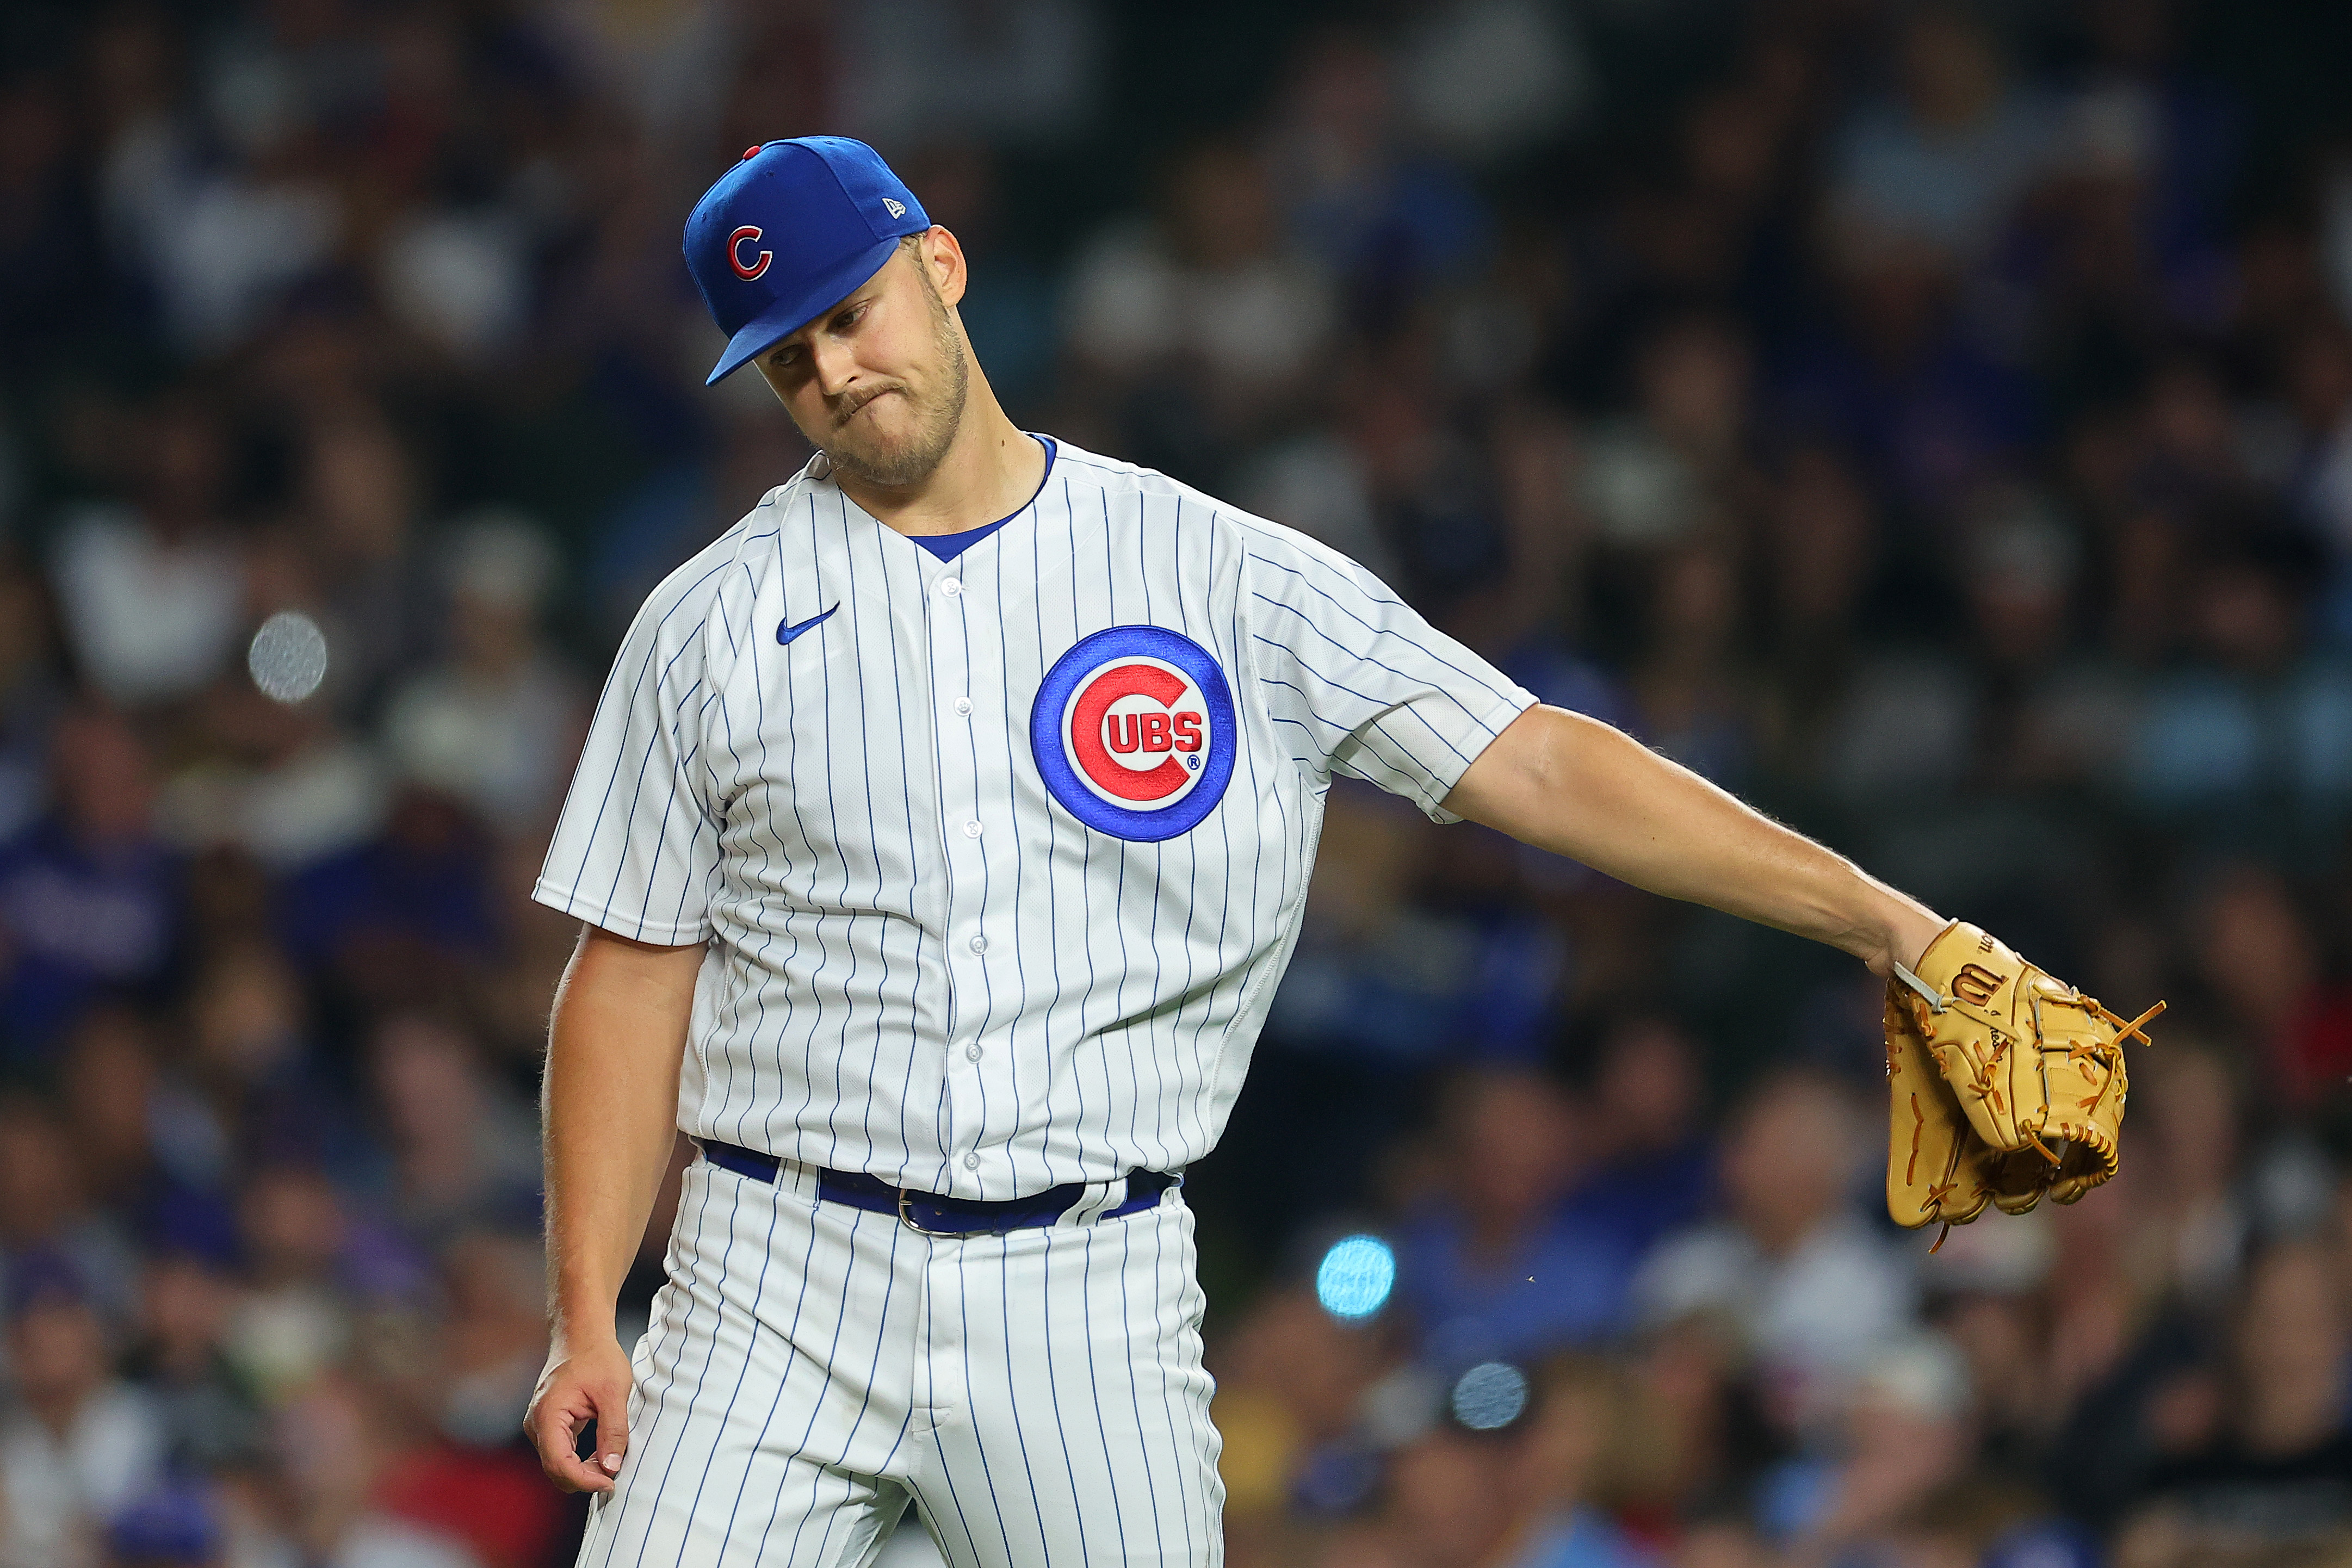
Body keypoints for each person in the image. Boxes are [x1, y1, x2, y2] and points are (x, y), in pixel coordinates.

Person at [522, 135, 1948, 1566]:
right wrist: (586, 1310)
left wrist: (1887, 922)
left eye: (851, 312)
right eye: (788, 357)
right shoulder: (706, 623)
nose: (832, 370)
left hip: (1085, 1275)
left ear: (940, 268)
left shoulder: (1219, 574)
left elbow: (1534, 757)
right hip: (774, 1270)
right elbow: (629, 974)